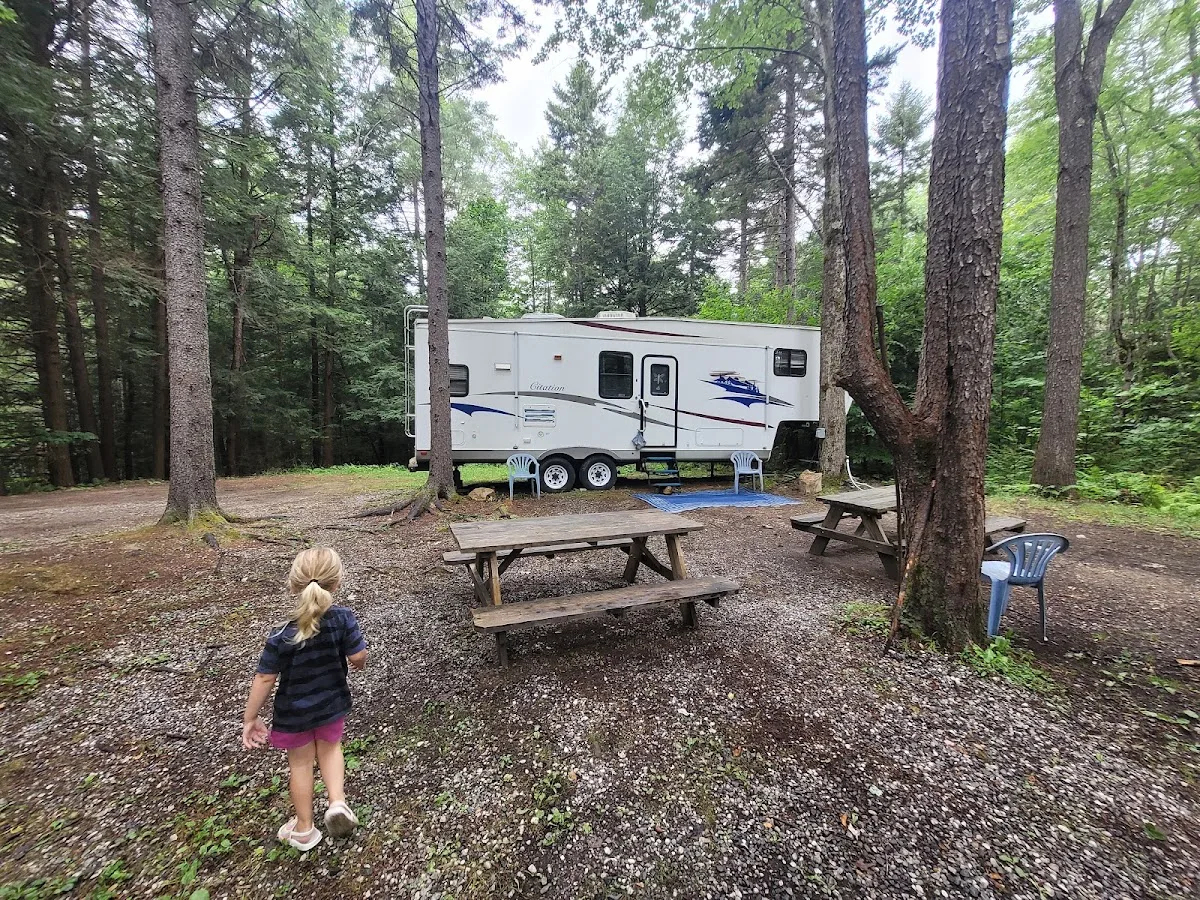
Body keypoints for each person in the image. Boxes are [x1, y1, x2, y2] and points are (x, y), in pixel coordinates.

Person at [242, 546, 367, 850]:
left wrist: (250, 718)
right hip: (333, 703)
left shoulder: (281, 633)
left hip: (294, 715)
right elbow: (358, 657)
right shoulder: (342, 619)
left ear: (294, 584)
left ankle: (304, 828)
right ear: (336, 584)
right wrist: (359, 659)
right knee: (331, 749)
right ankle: (337, 803)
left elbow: (265, 678)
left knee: (300, 765)